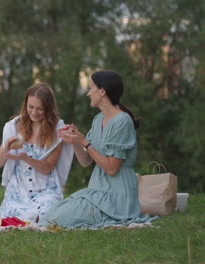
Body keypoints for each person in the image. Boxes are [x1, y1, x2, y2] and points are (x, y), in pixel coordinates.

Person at [38, 70, 156, 228]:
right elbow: (86, 161)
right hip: (97, 192)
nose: (88, 93)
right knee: (50, 215)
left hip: (118, 197)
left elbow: (112, 169)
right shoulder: (98, 119)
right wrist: (75, 140)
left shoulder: (122, 122)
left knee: (52, 220)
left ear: (102, 91)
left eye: (91, 88)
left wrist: (85, 142)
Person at [0, 82, 74, 222]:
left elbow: (47, 168)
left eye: (40, 109)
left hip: (45, 188)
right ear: (25, 105)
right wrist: (6, 148)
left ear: (48, 109)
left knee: (46, 216)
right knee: (18, 216)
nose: (34, 112)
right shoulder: (14, 127)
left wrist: (26, 158)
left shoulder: (56, 129)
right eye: (30, 107)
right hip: (19, 189)